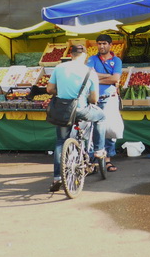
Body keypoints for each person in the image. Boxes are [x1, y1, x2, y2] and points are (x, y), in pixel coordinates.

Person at [45, 44, 105, 193]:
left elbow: (49, 89)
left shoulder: (59, 68)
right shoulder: (90, 72)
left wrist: (63, 92)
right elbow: (94, 98)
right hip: (81, 110)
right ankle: (99, 150)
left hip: (63, 111)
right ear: (85, 56)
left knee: (61, 141)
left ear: (70, 55)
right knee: (101, 117)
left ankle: (57, 177)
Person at [87, 34, 122, 172]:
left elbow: (116, 78)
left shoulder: (117, 60)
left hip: (110, 98)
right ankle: (92, 161)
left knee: (109, 129)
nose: (101, 46)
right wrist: (109, 76)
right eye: (99, 43)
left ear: (110, 45)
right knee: (91, 129)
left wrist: (97, 77)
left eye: (104, 43)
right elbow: (89, 74)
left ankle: (108, 159)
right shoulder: (92, 59)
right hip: (93, 98)